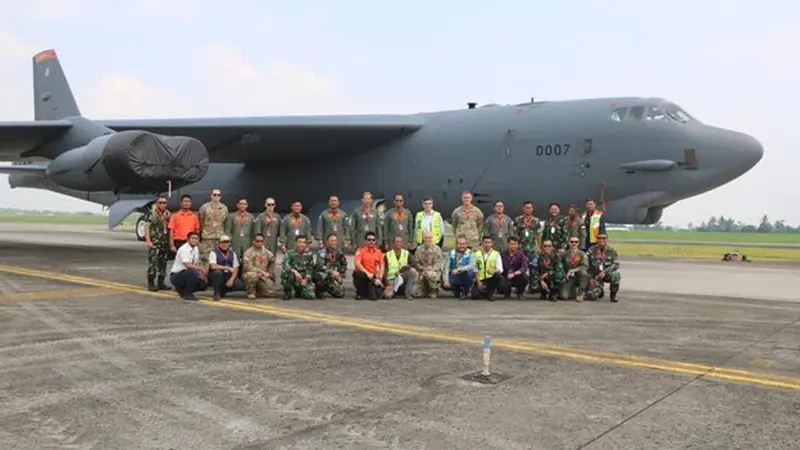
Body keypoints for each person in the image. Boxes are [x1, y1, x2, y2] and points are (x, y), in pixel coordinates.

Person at [169, 231, 207, 301]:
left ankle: (182, 290)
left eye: (196, 239)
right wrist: (201, 269)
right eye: (192, 238)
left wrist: (201, 274)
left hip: (187, 274)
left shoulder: (195, 248)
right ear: (188, 239)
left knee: (203, 283)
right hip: (177, 275)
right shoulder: (183, 249)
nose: (194, 240)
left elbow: (195, 263)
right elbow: (188, 265)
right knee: (192, 274)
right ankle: (188, 294)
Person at [145, 195, 171, 291]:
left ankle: (161, 283)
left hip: (164, 241)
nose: (162, 204)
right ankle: (151, 283)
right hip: (155, 241)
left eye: (164, 203)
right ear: (157, 203)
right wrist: (148, 240)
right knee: (153, 263)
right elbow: (147, 227)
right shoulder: (151, 213)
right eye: (160, 202)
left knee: (163, 263)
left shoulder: (168, 214)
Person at [585, 233, 621, 302]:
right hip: (595, 275)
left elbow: (616, 264)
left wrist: (605, 272)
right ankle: (599, 290)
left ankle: (613, 295)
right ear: (597, 240)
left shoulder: (612, 251)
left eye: (604, 238)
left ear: (607, 239)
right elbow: (585, 263)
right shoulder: (591, 250)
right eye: (599, 238)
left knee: (616, 275)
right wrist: (590, 278)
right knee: (592, 297)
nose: (601, 240)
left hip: (607, 274)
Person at [198, 188, 229, 265]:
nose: (216, 196)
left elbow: (225, 222)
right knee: (206, 260)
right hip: (207, 238)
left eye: (218, 195)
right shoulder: (204, 207)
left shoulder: (224, 208)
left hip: (219, 238)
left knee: (219, 259)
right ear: (211, 196)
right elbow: (201, 221)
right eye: (214, 194)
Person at [208, 235, 244, 300]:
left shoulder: (232, 253)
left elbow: (236, 268)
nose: (225, 244)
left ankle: (223, 291)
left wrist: (232, 279)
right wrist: (227, 268)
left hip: (228, 276)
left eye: (227, 242)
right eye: (223, 242)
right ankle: (217, 292)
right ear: (219, 243)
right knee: (217, 273)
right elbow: (213, 266)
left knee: (240, 285)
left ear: (229, 243)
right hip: (218, 276)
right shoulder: (213, 252)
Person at [280, 235, 316, 300]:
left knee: (311, 296)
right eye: (300, 242)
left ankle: (299, 291)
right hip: (292, 276)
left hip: (302, 278)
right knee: (287, 273)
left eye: (304, 242)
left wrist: (306, 279)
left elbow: (310, 268)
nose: (302, 244)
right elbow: (285, 265)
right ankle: (287, 291)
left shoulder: (309, 254)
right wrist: (294, 271)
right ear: (295, 243)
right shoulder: (289, 253)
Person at [313, 234, 348, 299]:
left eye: (335, 241)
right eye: (331, 241)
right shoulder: (322, 252)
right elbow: (320, 266)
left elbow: (344, 264)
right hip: (320, 276)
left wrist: (340, 274)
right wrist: (332, 272)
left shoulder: (339, 252)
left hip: (332, 278)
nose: (334, 243)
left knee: (340, 293)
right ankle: (319, 290)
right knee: (324, 275)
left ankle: (327, 287)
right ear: (327, 242)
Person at [242, 233, 276, 299]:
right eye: (257, 241)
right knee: (252, 275)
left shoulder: (266, 252)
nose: (259, 242)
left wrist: (269, 273)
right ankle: (250, 292)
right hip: (251, 274)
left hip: (262, 277)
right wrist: (262, 272)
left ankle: (258, 290)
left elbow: (272, 260)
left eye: (261, 241)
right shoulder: (248, 252)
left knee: (272, 292)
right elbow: (248, 267)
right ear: (253, 241)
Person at [411, 231, 445, 298]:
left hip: (434, 273)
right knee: (414, 293)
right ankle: (426, 291)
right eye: (426, 238)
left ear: (432, 238)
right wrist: (422, 268)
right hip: (422, 272)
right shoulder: (419, 249)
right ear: (423, 238)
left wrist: (431, 269)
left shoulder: (437, 249)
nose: (428, 240)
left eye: (429, 238)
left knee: (430, 274)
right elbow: (416, 262)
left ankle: (434, 289)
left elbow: (439, 263)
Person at [384, 236, 418, 300]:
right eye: (396, 242)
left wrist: (405, 268)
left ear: (402, 243)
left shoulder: (406, 253)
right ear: (393, 243)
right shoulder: (388, 255)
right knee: (387, 296)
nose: (398, 243)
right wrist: (387, 284)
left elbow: (414, 264)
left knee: (413, 271)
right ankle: (395, 291)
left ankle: (407, 293)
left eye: (400, 242)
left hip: (402, 277)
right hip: (392, 279)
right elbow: (385, 270)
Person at [353, 231, 384, 300]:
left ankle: (368, 291)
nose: (371, 241)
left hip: (373, 277)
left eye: (373, 240)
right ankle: (359, 293)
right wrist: (367, 273)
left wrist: (380, 278)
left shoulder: (378, 252)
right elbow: (357, 264)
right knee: (359, 274)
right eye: (369, 240)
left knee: (376, 296)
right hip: (364, 276)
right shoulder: (360, 250)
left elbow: (382, 265)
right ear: (365, 241)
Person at [471, 235, 503, 301]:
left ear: (492, 244)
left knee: (497, 275)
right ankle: (484, 292)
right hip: (481, 279)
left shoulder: (496, 254)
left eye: (489, 242)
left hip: (491, 279)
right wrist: (478, 282)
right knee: (474, 296)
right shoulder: (477, 254)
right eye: (485, 242)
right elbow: (475, 270)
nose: (487, 244)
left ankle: (490, 293)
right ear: (482, 243)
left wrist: (494, 270)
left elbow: (500, 269)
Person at [168, 194, 199, 259]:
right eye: (185, 201)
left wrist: (197, 244)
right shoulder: (175, 216)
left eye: (188, 201)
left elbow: (197, 231)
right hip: (179, 243)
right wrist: (172, 245)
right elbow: (171, 231)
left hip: (191, 243)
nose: (186, 203)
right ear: (181, 203)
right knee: (179, 263)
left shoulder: (194, 217)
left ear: (191, 203)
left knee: (191, 262)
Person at [444, 235, 475, 300]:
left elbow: (472, 265)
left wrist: (459, 269)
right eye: (460, 244)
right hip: (455, 276)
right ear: (456, 244)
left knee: (469, 273)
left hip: (466, 275)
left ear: (466, 244)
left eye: (464, 244)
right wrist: (446, 281)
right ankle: (457, 290)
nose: (462, 246)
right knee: (444, 281)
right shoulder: (451, 253)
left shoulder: (470, 253)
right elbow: (446, 267)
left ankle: (465, 293)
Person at [224, 198, 255, 263]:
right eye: (240, 204)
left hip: (247, 242)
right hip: (235, 242)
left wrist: (253, 243)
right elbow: (228, 231)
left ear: (247, 205)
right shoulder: (232, 217)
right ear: (237, 205)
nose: (242, 206)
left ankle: (244, 273)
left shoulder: (251, 217)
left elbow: (253, 232)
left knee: (247, 260)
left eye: (244, 204)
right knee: (234, 260)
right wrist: (229, 244)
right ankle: (235, 273)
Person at [559, 236, 588, 302]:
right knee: (563, 296)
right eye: (572, 242)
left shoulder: (582, 254)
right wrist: (564, 275)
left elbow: (585, 266)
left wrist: (573, 270)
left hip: (579, 277)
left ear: (578, 243)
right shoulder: (564, 254)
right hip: (569, 278)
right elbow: (560, 266)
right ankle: (572, 290)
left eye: (576, 242)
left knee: (584, 273)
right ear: (569, 243)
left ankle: (581, 292)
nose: (574, 243)